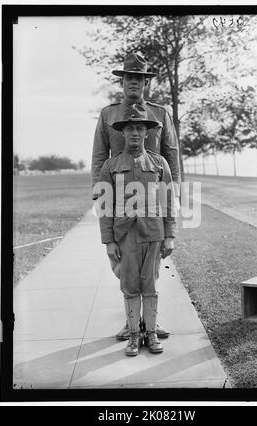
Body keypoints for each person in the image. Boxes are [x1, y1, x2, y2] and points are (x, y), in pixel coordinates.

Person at [92, 52, 180, 341]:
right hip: (119, 202)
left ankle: (150, 322)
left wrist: (173, 195)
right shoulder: (108, 114)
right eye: (129, 77)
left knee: (150, 271)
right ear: (122, 81)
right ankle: (132, 324)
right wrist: (100, 192)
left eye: (139, 79)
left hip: (151, 203)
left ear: (146, 83)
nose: (134, 83)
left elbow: (171, 155)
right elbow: (99, 156)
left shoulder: (160, 113)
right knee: (123, 270)